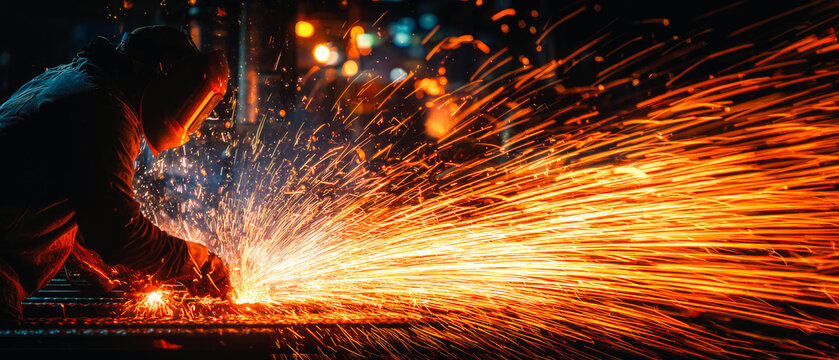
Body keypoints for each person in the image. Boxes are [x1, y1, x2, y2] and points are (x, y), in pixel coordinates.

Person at [0, 25, 231, 319]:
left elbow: (53, 203)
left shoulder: (72, 81)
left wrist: (114, 267)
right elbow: (117, 230)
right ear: (161, 73)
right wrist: (194, 260)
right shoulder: (104, 108)